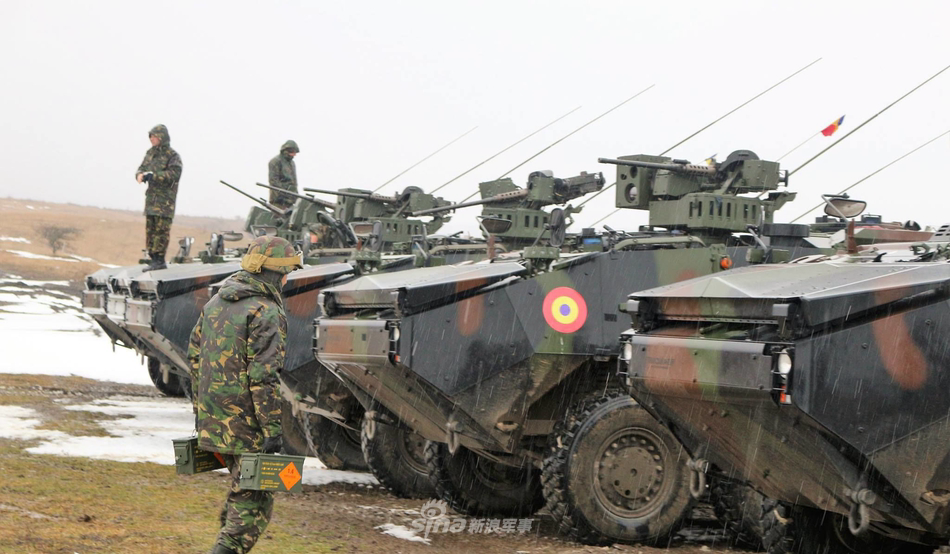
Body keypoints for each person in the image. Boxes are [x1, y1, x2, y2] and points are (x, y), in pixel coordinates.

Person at [187, 235, 303, 554]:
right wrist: (272, 431)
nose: (287, 278)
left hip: (215, 420)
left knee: (243, 495)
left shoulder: (216, 303)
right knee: (253, 508)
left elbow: (194, 358)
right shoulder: (266, 311)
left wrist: (203, 412)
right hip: (247, 426)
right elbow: (263, 376)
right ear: (273, 272)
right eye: (286, 271)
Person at [268, 140, 299, 209]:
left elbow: (294, 182)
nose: (294, 155)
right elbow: (273, 182)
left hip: (291, 201)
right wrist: (285, 194)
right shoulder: (275, 162)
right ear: (287, 151)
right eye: (293, 152)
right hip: (279, 201)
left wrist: (295, 196)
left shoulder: (292, 163)